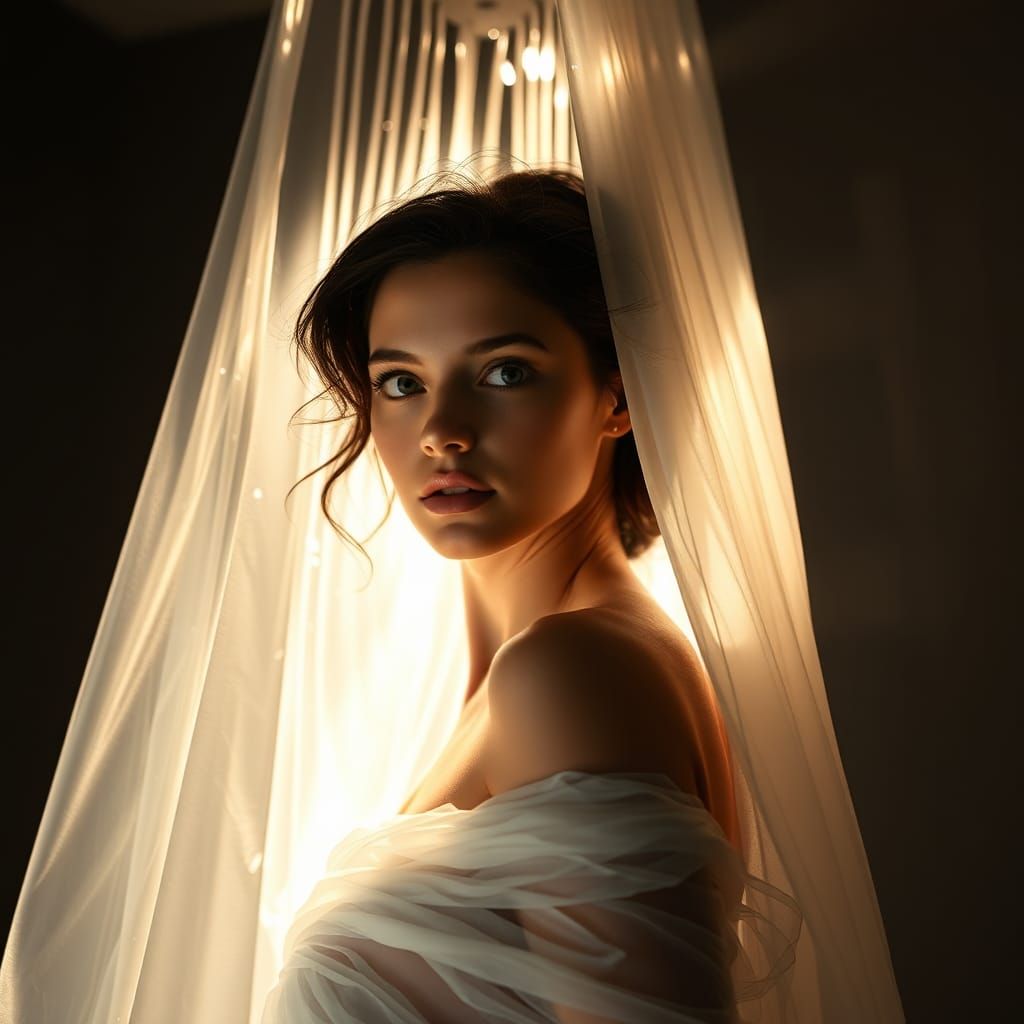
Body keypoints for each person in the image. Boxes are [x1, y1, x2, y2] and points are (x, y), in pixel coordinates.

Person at [261, 169, 761, 1022]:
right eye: (401, 381)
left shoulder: (568, 670)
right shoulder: (552, 669)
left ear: (617, 393)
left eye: (503, 372)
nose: (442, 430)